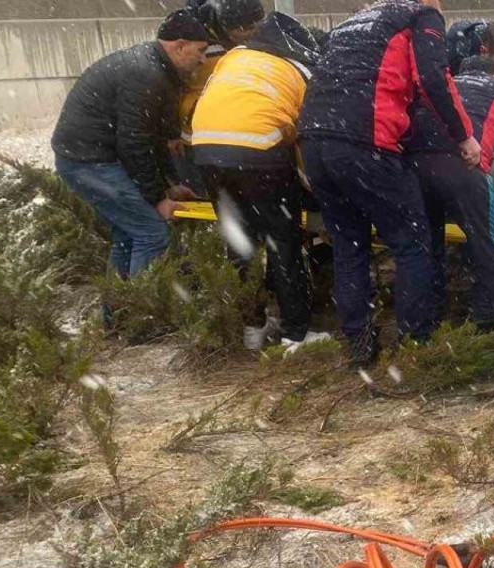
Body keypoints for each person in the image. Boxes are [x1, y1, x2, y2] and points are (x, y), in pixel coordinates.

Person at [299, 0, 481, 366]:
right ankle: (417, 342)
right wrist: (463, 136)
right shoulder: (421, 16)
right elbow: (433, 78)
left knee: (349, 247)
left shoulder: (355, 20)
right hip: (364, 140)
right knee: (412, 241)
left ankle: (359, 345)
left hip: (314, 141)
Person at [190, 12, 331, 352]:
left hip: (207, 149)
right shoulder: (301, 71)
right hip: (259, 149)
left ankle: (251, 327)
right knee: (283, 242)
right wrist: (316, 190)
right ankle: (295, 333)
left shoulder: (235, 56)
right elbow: (306, 139)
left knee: (239, 242)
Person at [52, 9, 209, 280]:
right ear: (179, 46)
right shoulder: (147, 74)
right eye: (200, 50)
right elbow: (134, 143)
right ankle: (146, 315)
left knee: (128, 235)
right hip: (89, 162)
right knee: (152, 233)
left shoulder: (156, 68)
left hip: (89, 157)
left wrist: (168, 185)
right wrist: (158, 199)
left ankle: (119, 315)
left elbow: (152, 138)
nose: (203, 58)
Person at [405, 55, 494, 330]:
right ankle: (485, 320)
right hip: (464, 169)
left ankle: (426, 321)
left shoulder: (446, 87)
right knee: (484, 246)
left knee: (426, 246)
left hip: (416, 167)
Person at [174, 0, 267, 190]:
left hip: (230, 128)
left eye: (256, 27)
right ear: (228, 25)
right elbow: (169, 86)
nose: (251, 34)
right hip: (195, 131)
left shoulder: (229, 36)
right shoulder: (195, 42)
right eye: (247, 29)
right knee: (203, 190)